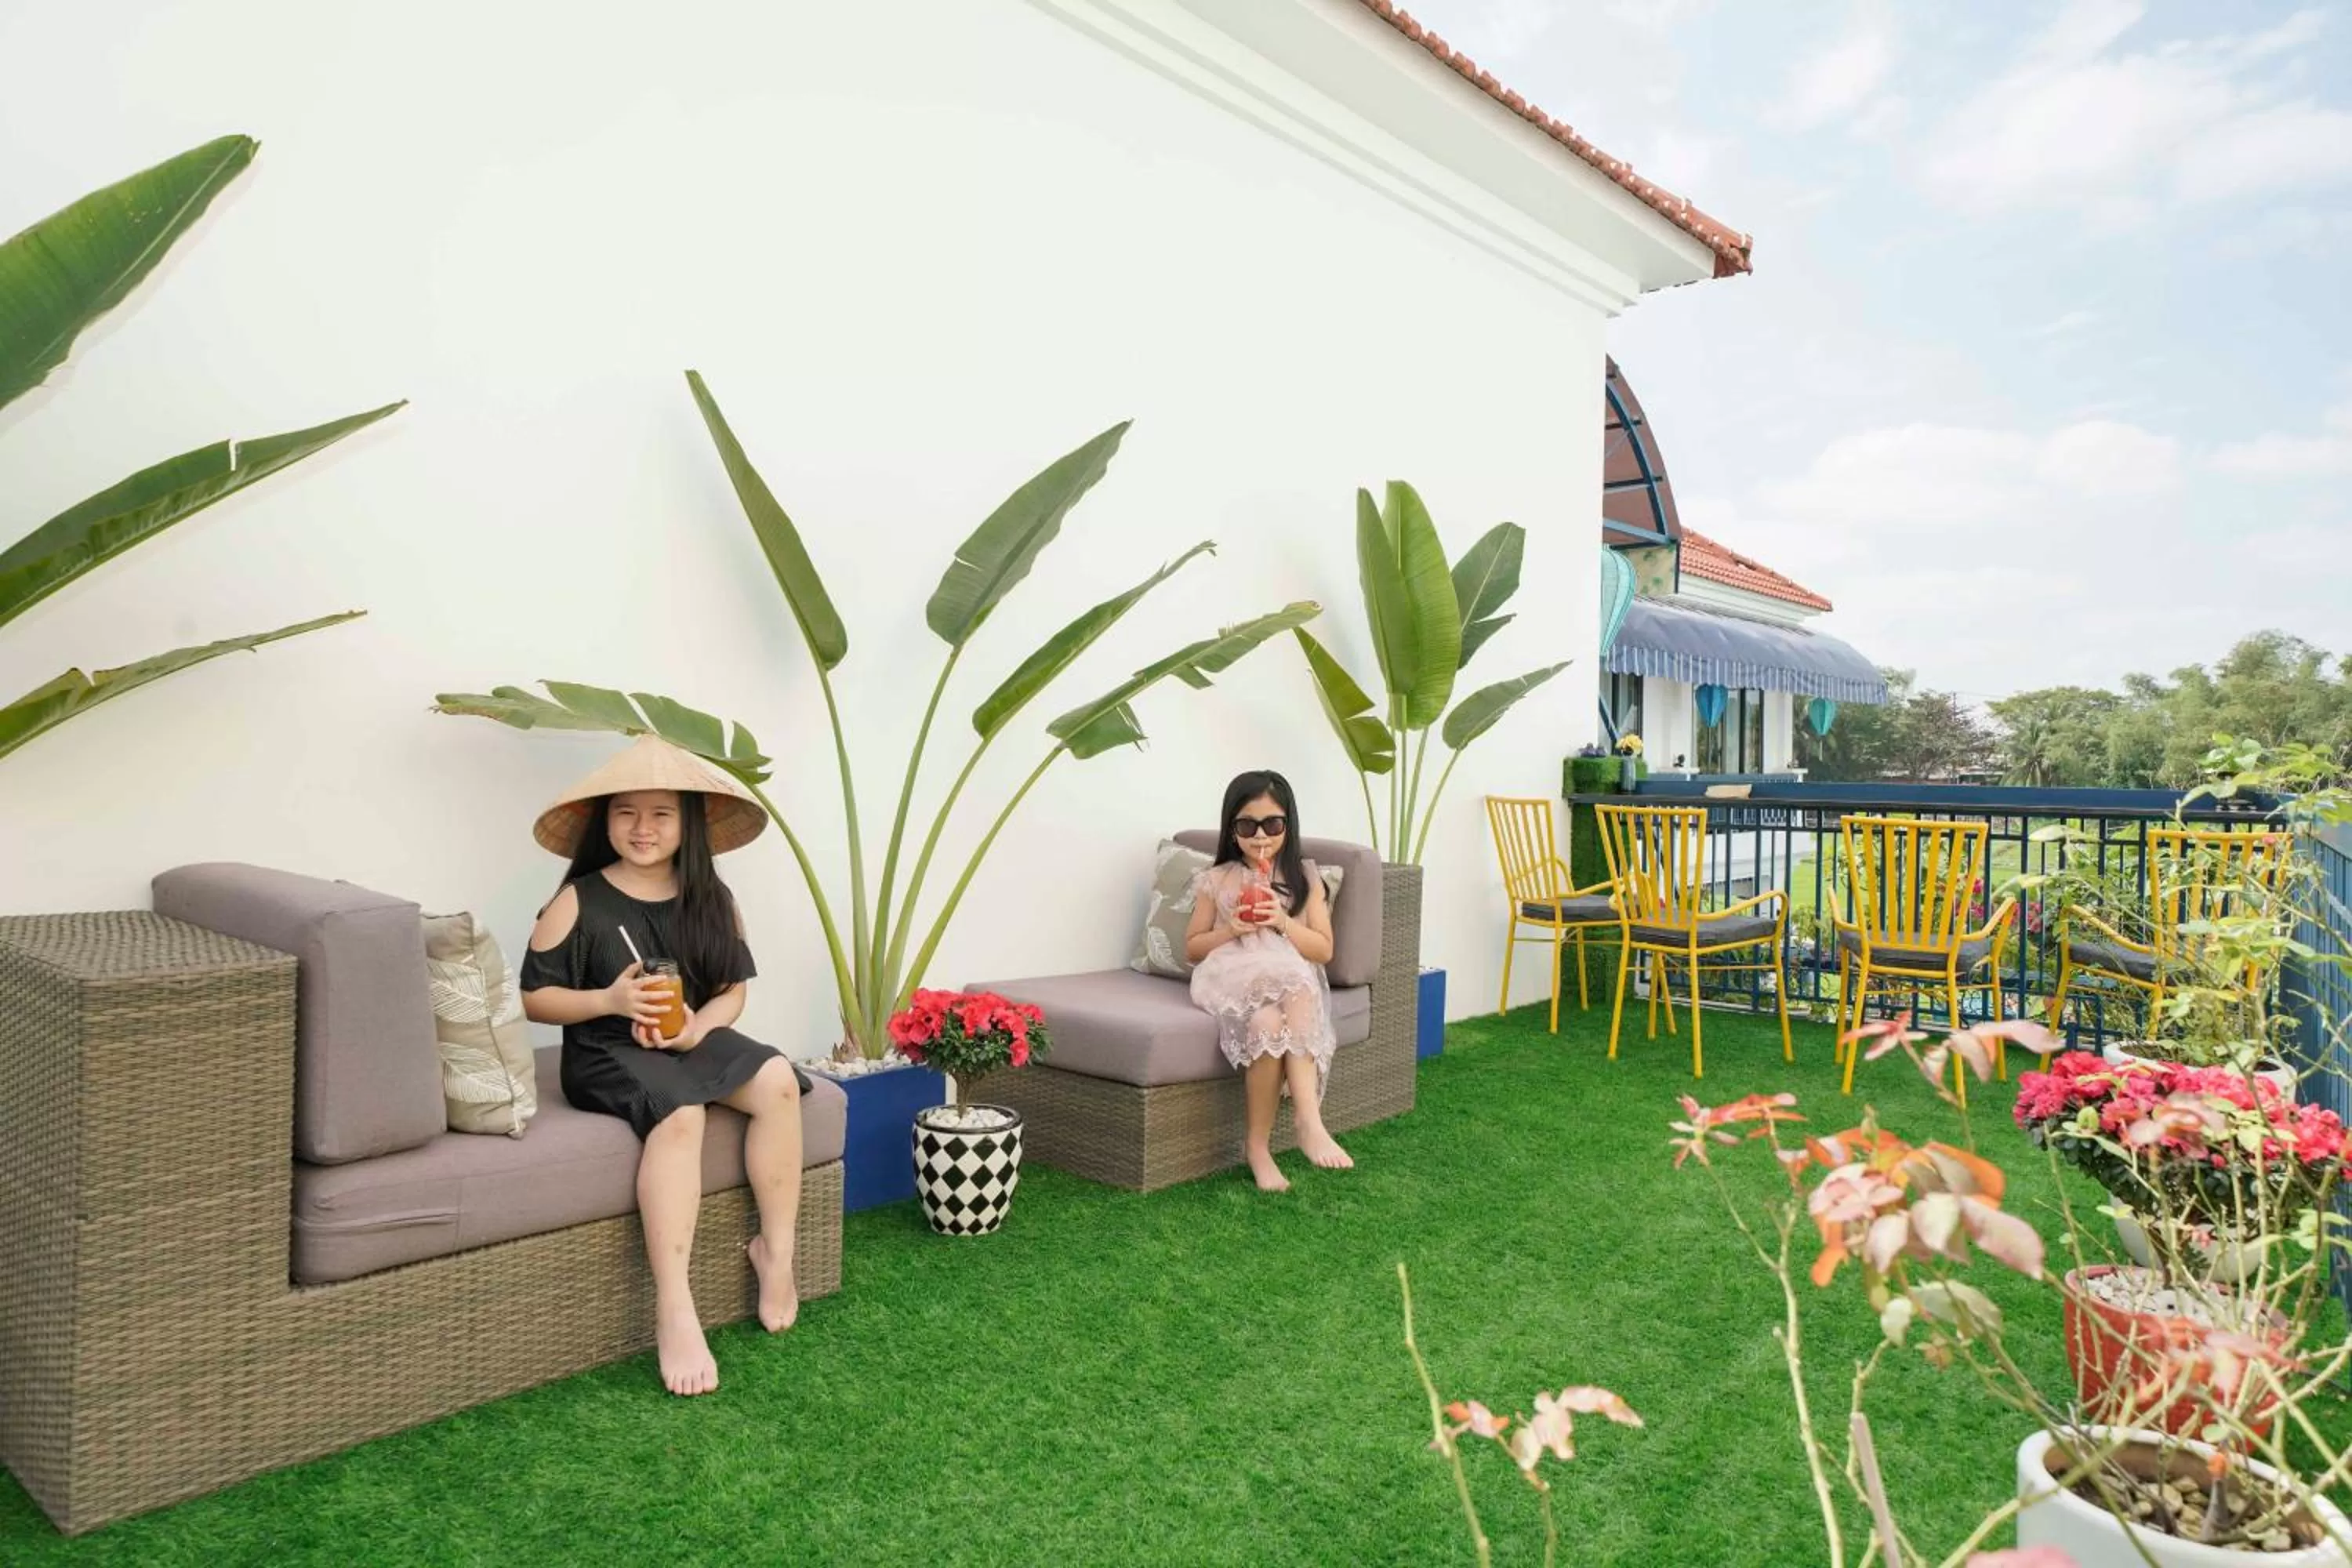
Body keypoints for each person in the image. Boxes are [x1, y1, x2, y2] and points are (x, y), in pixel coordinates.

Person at [517, 735, 811, 1396]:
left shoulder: (710, 896)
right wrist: (610, 998)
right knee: (680, 1115)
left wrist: (695, 1029)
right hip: (604, 1049)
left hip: (686, 1036)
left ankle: (778, 1252)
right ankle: (675, 1308)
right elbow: (534, 999)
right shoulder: (578, 901)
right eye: (625, 813)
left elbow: (733, 990)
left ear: (688, 826)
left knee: (777, 1081)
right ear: (605, 822)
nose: (642, 829)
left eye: (660, 814)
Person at [1183, 768, 1349, 1192]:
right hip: (1229, 974)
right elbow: (1193, 948)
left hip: (1284, 981)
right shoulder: (1218, 878)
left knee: (1267, 1025)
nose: (1260, 837)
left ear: (1288, 825)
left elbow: (1323, 951)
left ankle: (1257, 1149)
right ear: (1232, 829)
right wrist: (1232, 930)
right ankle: (1308, 1118)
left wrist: (1281, 922)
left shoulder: (1305, 877)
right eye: (1247, 826)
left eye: (1272, 825)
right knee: (1295, 980)